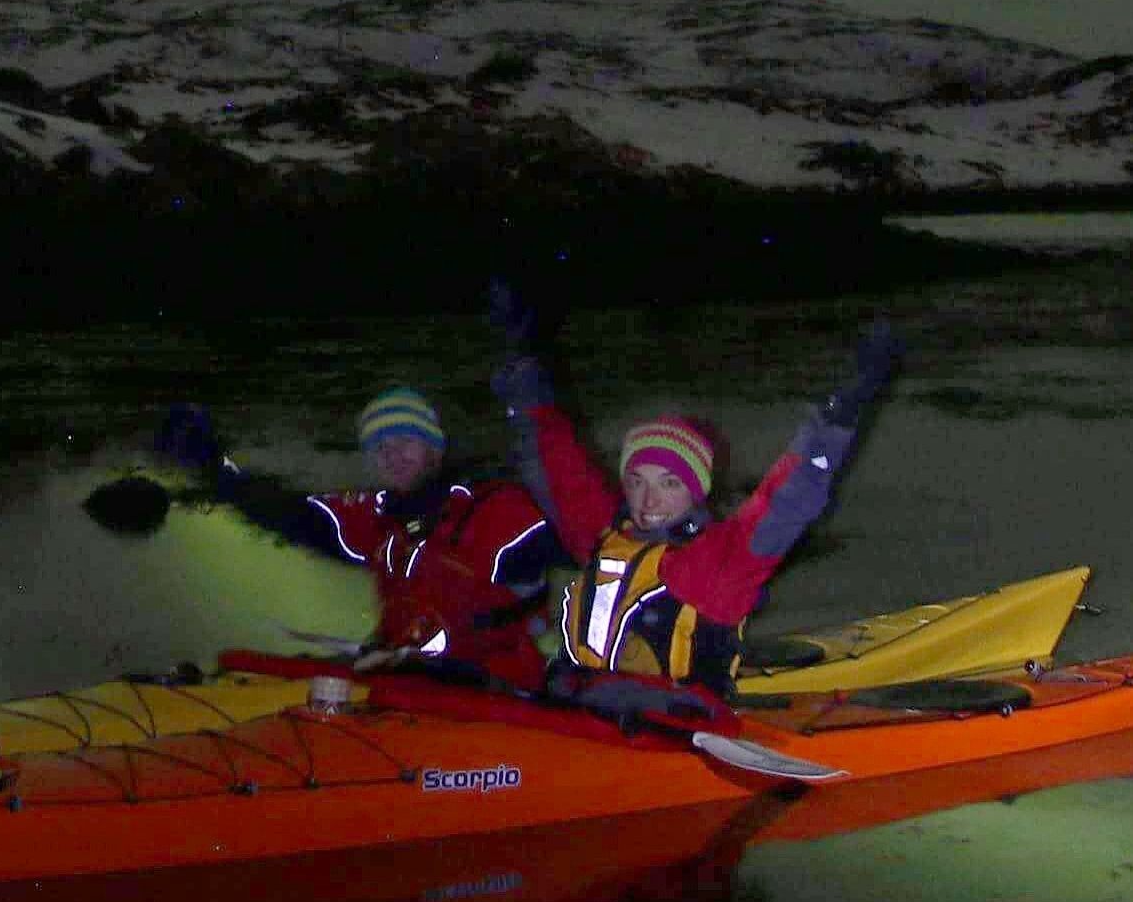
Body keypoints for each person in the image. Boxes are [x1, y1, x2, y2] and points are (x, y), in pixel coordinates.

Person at [484, 280, 903, 720]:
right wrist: (521, 359)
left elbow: (789, 500)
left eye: (669, 484)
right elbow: (555, 456)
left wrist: (840, 416)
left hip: (668, 734)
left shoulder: (718, 561)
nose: (649, 500)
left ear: (697, 491)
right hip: (575, 715)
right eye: (638, 481)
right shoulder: (603, 535)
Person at [155, 386, 563, 688]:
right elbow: (293, 514)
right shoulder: (377, 519)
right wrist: (214, 469)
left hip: (496, 699)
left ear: (435, 450)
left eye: (405, 441)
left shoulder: (497, 510)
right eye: (379, 447)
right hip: (402, 689)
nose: (392, 454)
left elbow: (584, 543)